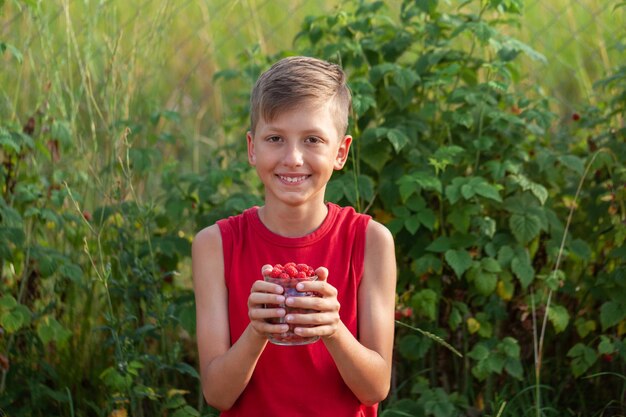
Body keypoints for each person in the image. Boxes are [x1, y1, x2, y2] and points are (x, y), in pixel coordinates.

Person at [192, 56, 397, 417]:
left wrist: (333, 330)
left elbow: (375, 387)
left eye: (313, 139)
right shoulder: (215, 245)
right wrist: (257, 330)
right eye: (275, 138)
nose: (293, 158)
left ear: (341, 152)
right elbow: (217, 395)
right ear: (252, 148)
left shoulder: (371, 241)